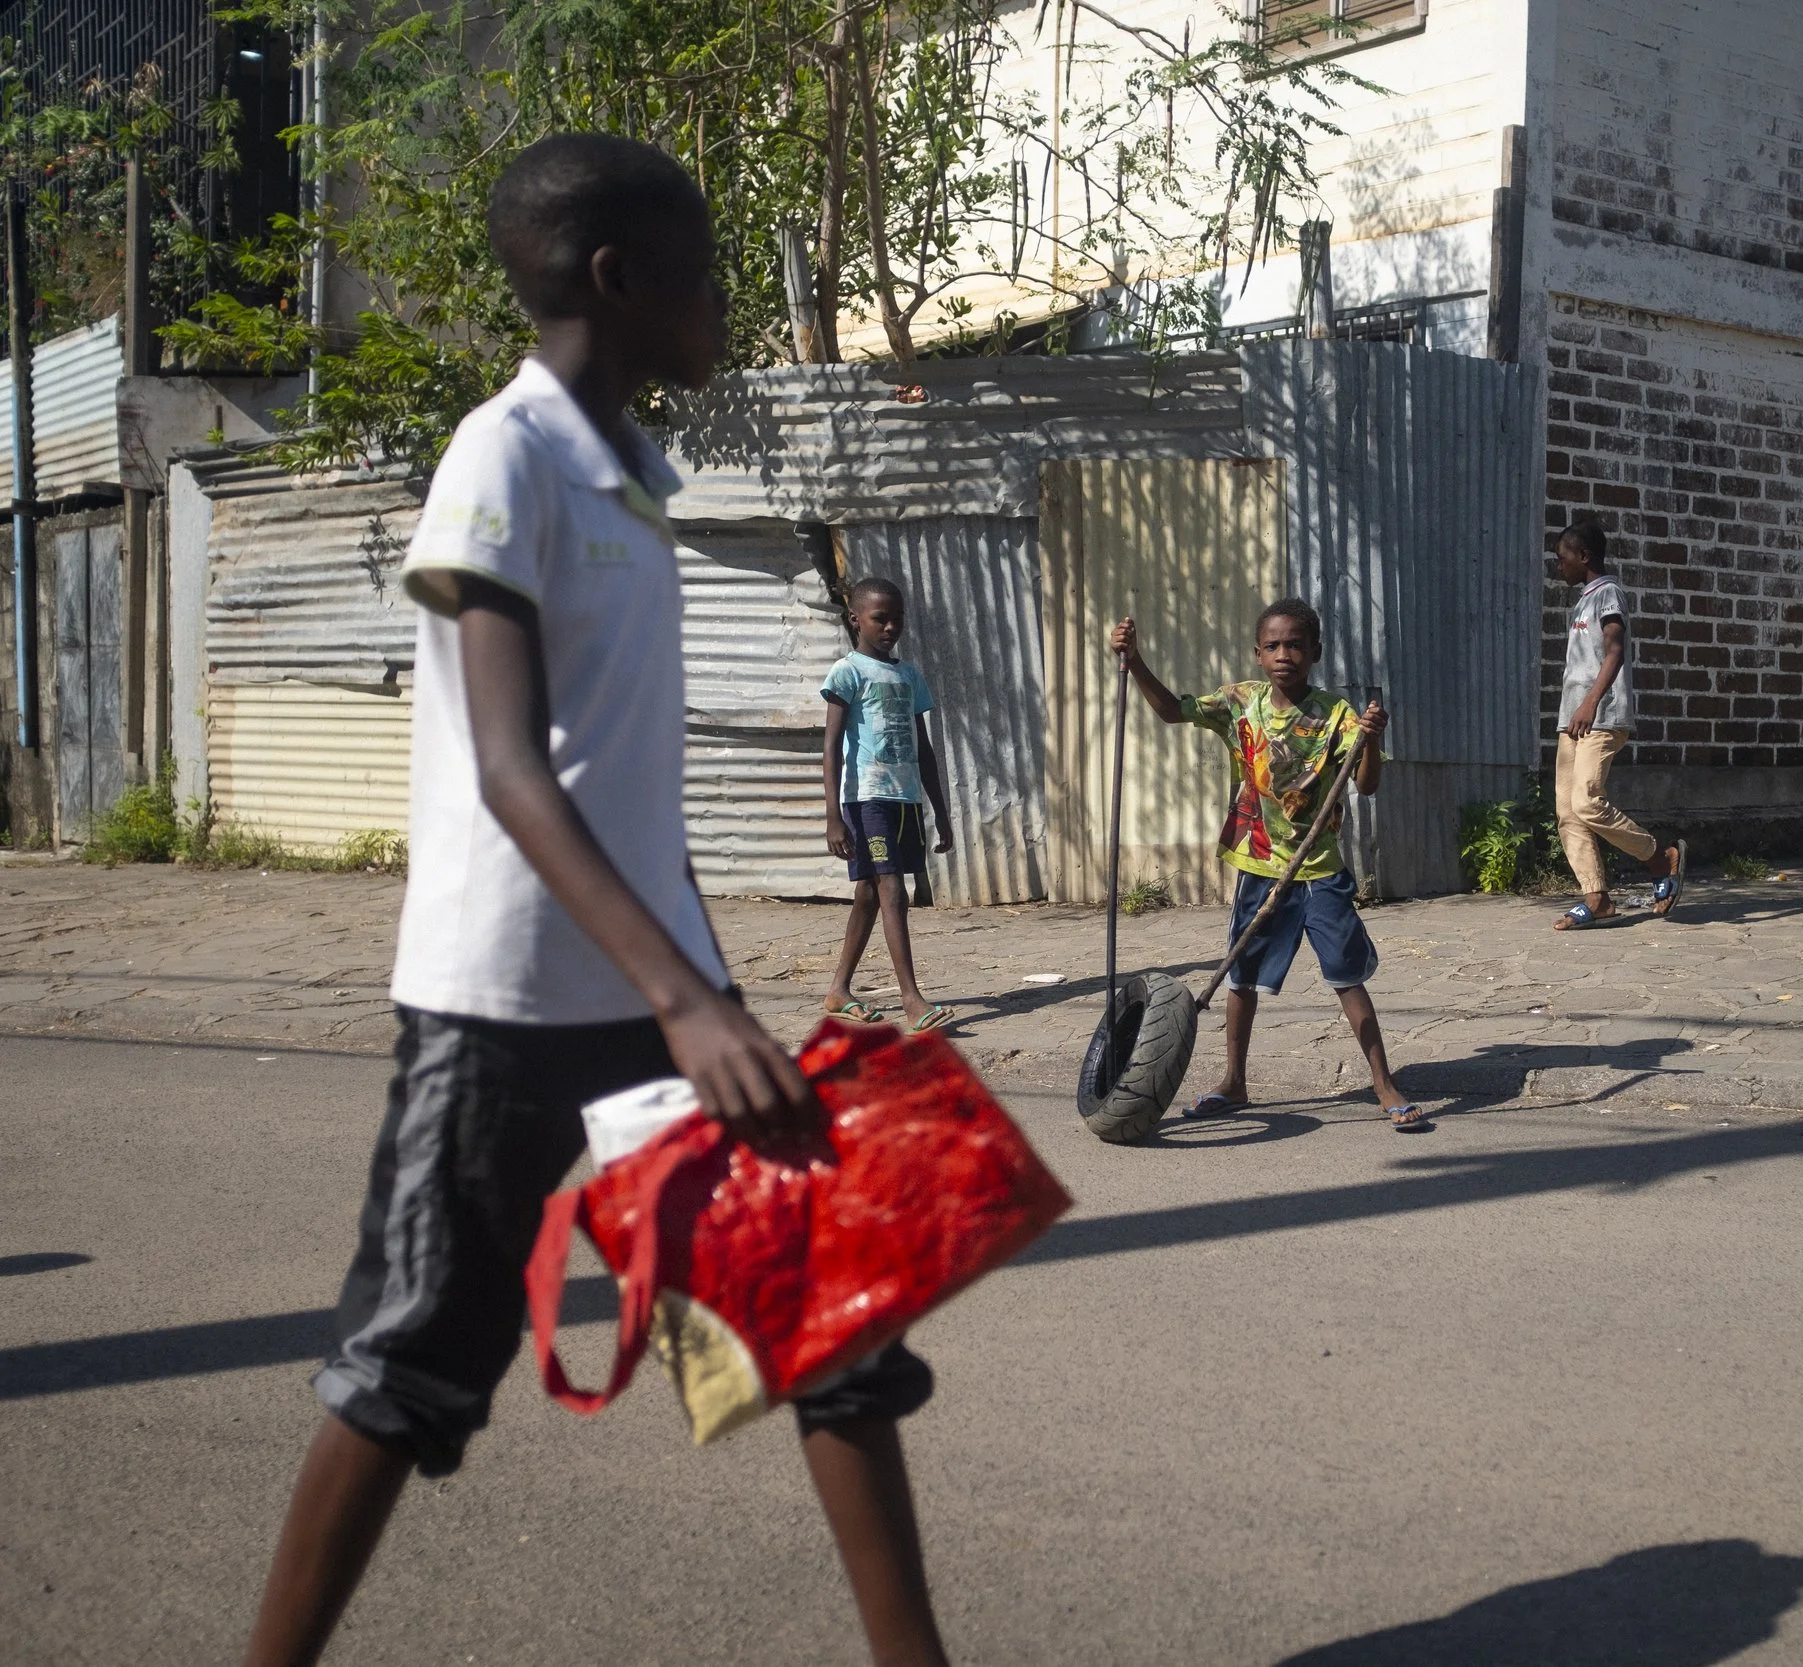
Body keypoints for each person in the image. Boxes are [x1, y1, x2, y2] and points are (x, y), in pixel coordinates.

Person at [240, 134, 951, 1667]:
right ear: (620, 280)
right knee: (415, 1358)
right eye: (701, 275)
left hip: (651, 998)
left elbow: (620, 775)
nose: (723, 307)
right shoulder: (501, 455)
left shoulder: (638, 478)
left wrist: (708, 985)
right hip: (498, 1002)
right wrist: (687, 999)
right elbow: (509, 767)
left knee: (824, 1321)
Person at [1109, 600, 1429, 1132]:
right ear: (1257, 655)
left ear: (1316, 653)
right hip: (1259, 866)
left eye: (1296, 645)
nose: (1285, 655)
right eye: (1273, 646)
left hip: (1319, 869)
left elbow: (1367, 784)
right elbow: (1171, 710)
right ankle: (1234, 1081)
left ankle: (1383, 1082)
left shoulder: (1338, 716)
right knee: (1243, 979)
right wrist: (1135, 660)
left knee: (1347, 978)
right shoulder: (1239, 703)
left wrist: (1371, 740)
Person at [821, 574, 956, 1031]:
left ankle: (839, 990)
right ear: (855, 619)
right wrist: (833, 816)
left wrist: (941, 810)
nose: (890, 627)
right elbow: (832, 746)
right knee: (892, 890)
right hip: (866, 801)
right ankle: (912, 999)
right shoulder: (848, 672)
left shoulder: (909, 675)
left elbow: (924, 748)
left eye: (897, 619)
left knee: (868, 894)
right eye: (880, 618)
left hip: (904, 800)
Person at [1549, 517, 1685, 930]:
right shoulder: (1583, 599)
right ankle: (1597, 897)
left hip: (1600, 717)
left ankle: (1660, 858)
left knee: (1588, 801)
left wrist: (1591, 703)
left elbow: (1615, 651)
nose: (1559, 566)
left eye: (1563, 558)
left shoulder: (1607, 593)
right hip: (1572, 719)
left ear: (1584, 556)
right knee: (1568, 812)